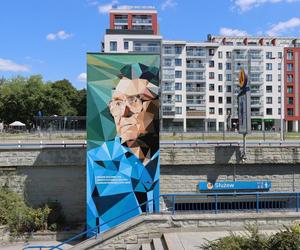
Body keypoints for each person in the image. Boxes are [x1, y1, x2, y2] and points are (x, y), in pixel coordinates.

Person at [87, 63, 160, 233]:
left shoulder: (157, 161)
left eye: (135, 100)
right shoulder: (97, 160)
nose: (125, 112)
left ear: (156, 106)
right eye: (118, 103)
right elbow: (93, 225)